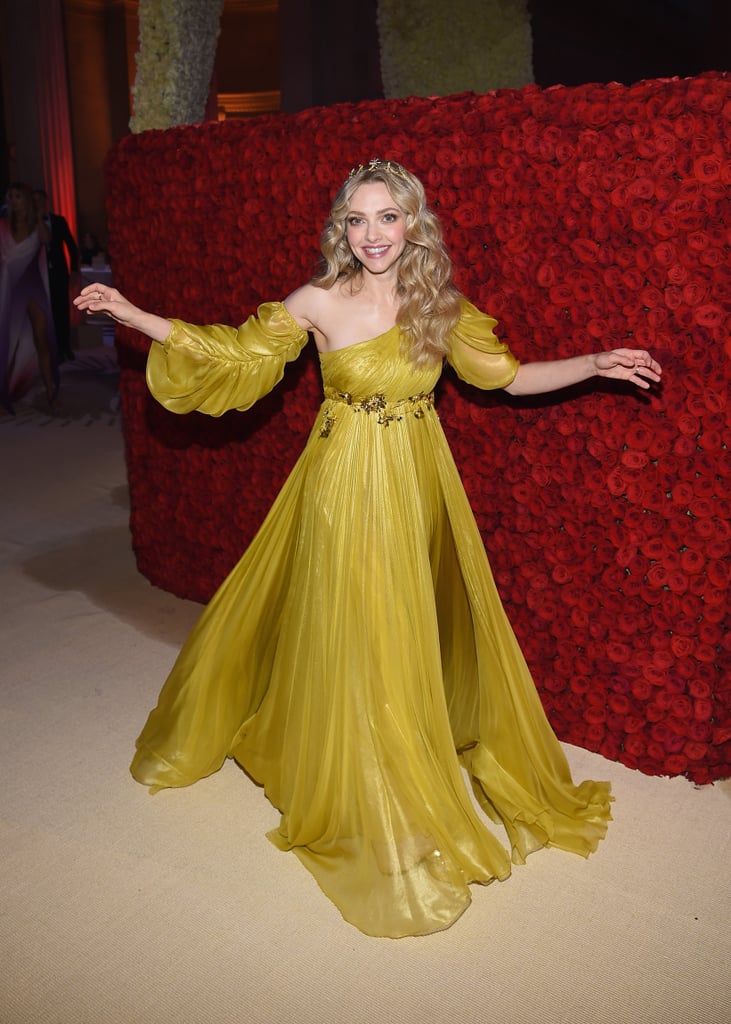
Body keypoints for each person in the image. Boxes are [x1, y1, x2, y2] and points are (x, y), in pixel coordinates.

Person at [75, 159, 661, 938]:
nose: (372, 234)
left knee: (403, 621)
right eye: (357, 219)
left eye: (387, 217)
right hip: (343, 480)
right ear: (340, 231)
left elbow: (506, 380)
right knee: (353, 622)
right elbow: (232, 355)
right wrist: (132, 312)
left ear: (412, 224)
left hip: (417, 480)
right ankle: (366, 778)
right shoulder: (317, 299)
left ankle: (399, 750)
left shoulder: (438, 306)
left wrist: (593, 363)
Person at [1, 182, 59, 413]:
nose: (13, 201)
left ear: (25, 200)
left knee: (41, 339)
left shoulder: (38, 226)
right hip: (10, 289)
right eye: (11, 197)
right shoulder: (3, 226)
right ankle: (4, 395)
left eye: (17, 196)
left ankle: (51, 392)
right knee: (8, 343)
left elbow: (47, 241)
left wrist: (38, 214)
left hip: (33, 287)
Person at [34, 188, 79, 362]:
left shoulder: (59, 221)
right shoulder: (29, 223)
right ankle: (48, 349)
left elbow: (71, 246)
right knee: (44, 312)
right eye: (34, 200)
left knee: (61, 310)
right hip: (39, 274)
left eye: (40, 200)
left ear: (46, 203)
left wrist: (74, 269)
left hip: (58, 272)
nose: (37, 204)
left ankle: (64, 347)